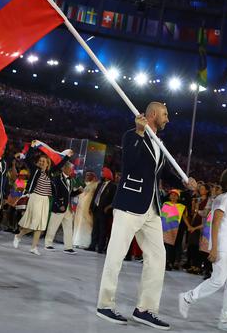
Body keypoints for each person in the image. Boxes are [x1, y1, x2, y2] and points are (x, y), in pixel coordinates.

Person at [96, 102, 196, 329]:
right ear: (152, 114)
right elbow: (130, 162)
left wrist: (183, 182)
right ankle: (105, 304)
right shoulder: (131, 135)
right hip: (130, 204)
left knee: (158, 258)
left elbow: (160, 172)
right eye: (165, 115)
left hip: (152, 209)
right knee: (116, 255)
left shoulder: (160, 143)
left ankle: (145, 309)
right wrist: (139, 133)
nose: (168, 119)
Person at [179, 169, 227, 333]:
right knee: (218, 281)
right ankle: (188, 297)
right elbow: (215, 224)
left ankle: (225, 320)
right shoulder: (222, 199)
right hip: (222, 247)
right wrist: (214, 248)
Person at [13, 142, 73, 255]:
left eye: (43, 162)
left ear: (47, 163)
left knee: (41, 226)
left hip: (45, 200)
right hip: (35, 198)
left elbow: (60, 165)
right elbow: (27, 159)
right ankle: (18, 235)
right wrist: (32, 147)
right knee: (34, 224)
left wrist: (67, 156)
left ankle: (33, 247)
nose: (41, 163)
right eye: (40, 161)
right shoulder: (35, 169)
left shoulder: (50, 172)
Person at [44, 160, 82, 254]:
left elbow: (70, 194)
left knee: (69, 228)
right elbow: (55, 193)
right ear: (64, 168)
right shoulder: (57, 178)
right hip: (59, 207)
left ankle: (68, 247)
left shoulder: (71, 180)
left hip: (68, 208)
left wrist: (79, 192)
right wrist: (59, 204)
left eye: (71, 169)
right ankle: (48, 244)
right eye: (69, 168)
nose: (71, 170)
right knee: (53, 226)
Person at [89, 167, 116, 253]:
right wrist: (91, 207)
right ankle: (92, 246)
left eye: (103, 172)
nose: (101, 174)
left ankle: (100, 248)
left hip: (104, 212)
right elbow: (95, 196)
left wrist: (108, 207)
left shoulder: (113, 186)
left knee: (102, 230)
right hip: (96, 209)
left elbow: (113, 199)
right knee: (95, 229)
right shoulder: (100, 184)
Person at [73, 171, 98, 249]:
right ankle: (76, 241)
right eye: (86, 175)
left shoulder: (95, 184)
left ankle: (85, 243)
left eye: (89, 175)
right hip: (80, 208)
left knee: (86, 225)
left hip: (87, 208)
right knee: (78, 224)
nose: (87, 176)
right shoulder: (84, 184)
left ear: (93, 176)